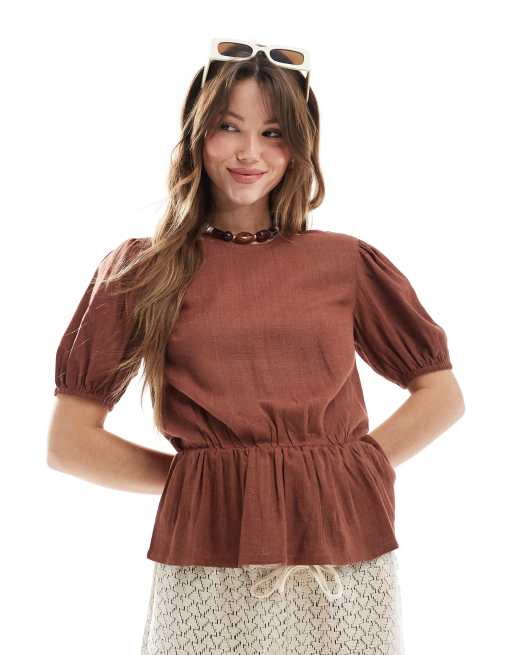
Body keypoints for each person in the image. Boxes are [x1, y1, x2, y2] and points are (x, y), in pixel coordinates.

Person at [47, 39, 465, 655]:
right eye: (228, 127)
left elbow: (442, 393)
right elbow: (69, 442)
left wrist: (355, 467)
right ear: (196, 135)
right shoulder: (143, 269)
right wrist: (207, 484)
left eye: (273, 134)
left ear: (299, 148)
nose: (250, 152)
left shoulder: (344, 262)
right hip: (208, 554)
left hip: (344, 547)